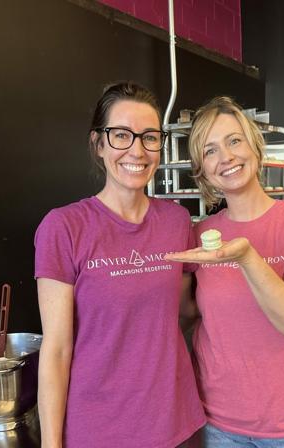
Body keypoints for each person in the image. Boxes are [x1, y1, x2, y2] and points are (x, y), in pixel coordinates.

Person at [34, 81, 205, 448]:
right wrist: (51, 443)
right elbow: (57, 350)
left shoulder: (176, 221)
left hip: (175, 421)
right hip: (99, 429)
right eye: (121, 135)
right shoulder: (64, 227)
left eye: (149, 137)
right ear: (98, 143)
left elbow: (183, 311)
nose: (137, 150)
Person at [165, 96, 284, 447]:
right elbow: (191, 312)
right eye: (210, 150)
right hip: (220, 424)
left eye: (234, 141)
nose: (226, 157)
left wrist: (247, 257)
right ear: (202, 169)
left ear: (255, 148)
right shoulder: (201, 234)